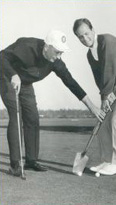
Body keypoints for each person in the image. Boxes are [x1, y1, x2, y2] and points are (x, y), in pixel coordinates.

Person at [0, 30, 105, 177]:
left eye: (62, 53)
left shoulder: (56, 62)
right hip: (7, 77)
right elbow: (2, 57)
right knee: (16, 116)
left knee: (32, 118)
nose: (59, 56)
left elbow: (71, 83)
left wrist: (92, 107)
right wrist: (13, 74)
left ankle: (31, 161)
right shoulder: (27, 45)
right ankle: (15, 165)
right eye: (57, 52)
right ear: (47, 47)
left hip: (26, 83)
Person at [73, 18, 116, 175]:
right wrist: (105, 95)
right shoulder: (89, 55)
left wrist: (106, 97)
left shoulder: (107, 41)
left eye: (86, 33)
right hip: (112, 86)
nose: (85, 39)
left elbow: (109, 70)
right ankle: (106, 161)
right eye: (80, 37)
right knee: (103, 122)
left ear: (93, 29)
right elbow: (100, 79)